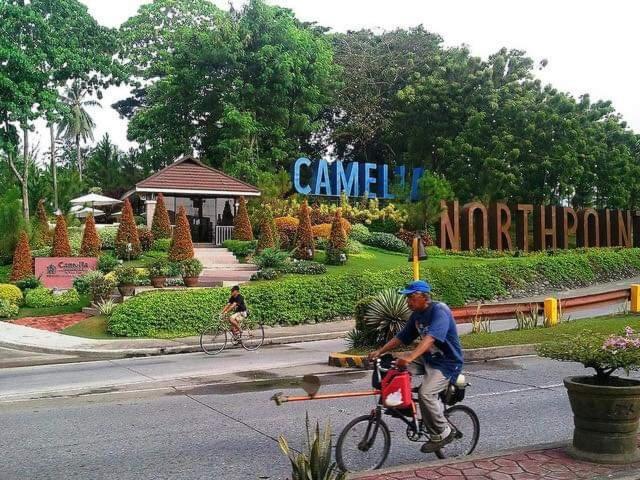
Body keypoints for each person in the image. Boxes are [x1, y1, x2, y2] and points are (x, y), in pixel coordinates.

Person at [368, 280, 464, 453]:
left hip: (446, 362)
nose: (408, 301)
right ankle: (403, 407)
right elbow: (401, 337)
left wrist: (411, 356)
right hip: (428, 358)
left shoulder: (439, 310)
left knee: (425, 393)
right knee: (395, 371)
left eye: (411, 297)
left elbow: (430, 338)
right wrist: (380, 351)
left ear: (424, 297)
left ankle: (444, 432)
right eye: (407, 298)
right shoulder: (417, 315)